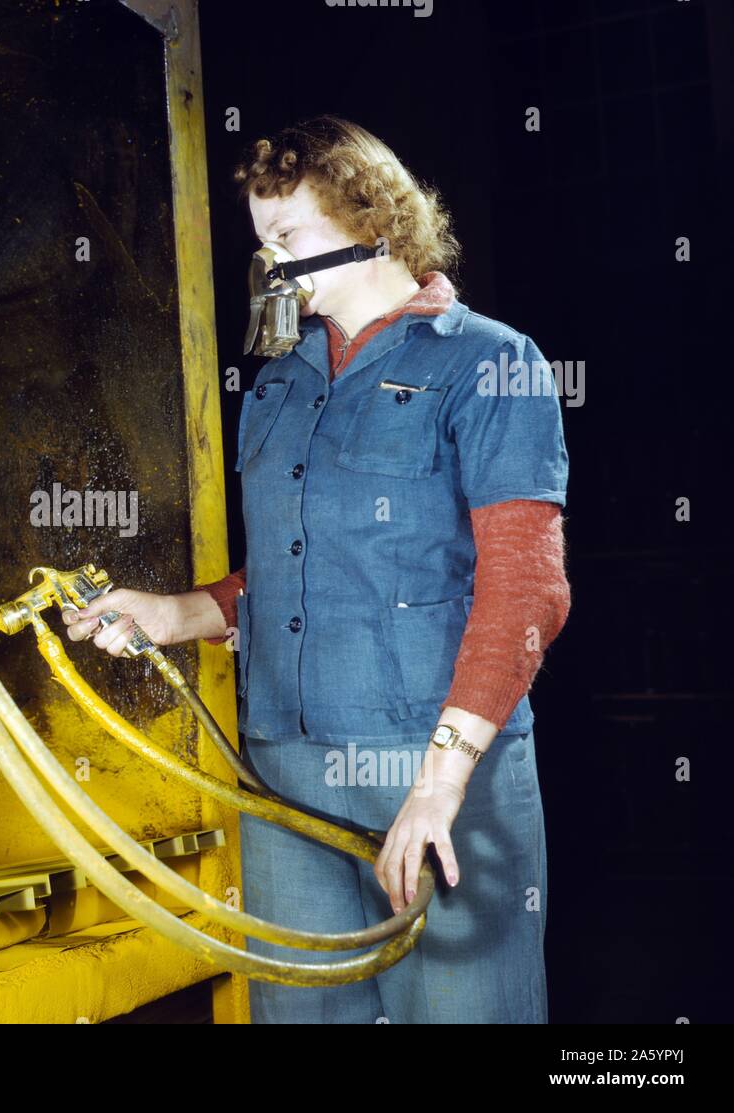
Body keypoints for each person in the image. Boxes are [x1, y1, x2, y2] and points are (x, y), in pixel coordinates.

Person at [63, 116, 570, 1023]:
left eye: (288, 238)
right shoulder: (279, 384)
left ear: (373, 222)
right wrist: (170, 615)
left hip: (431, 772)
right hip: (285, 776)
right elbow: (290, 577)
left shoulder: (491, 363)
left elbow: (527, 591)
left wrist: (441, 783)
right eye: (260, 242)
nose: (269, 265)